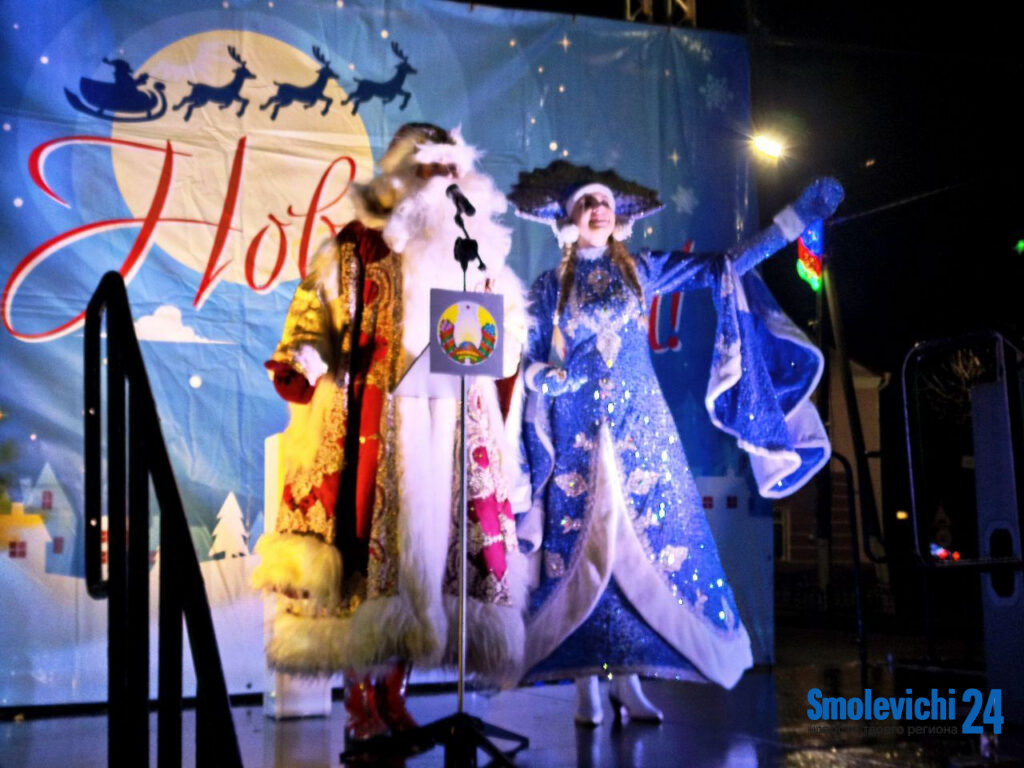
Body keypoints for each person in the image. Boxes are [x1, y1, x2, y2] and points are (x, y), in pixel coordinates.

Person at [509, 161, 842, 726]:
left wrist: (790, 225)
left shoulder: (641, 269)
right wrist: (553, 379)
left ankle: (629, 680)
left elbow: (724, 266)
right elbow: (528, 359)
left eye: (604, 202)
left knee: (647, 549)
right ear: (568, 218)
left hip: (642, 431)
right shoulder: (548, 286)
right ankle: (588, 683)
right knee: (581, 552)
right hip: (577, 437)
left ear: (617, 216)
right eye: (586, 203)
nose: (598, 209)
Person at [252, 123, 528, 746]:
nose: (443, 181)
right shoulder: (354, 247)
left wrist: (507, 345)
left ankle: (395, 696)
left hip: (451, 427)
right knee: (370, 566)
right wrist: (307, 355)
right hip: (374, 422)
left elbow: (506, 326)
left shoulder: (477, 248)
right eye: (429, 168)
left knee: (427, 568)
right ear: (403, 174)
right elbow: (314, 313)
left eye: (451, 169)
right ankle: (361, 700)